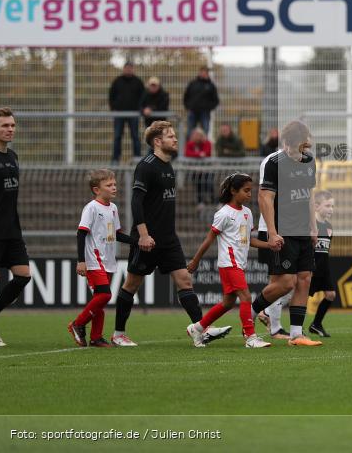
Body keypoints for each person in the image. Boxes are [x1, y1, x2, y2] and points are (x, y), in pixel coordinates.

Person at [112, 121, 230, 347]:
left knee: (184, 280)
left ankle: (200, 330)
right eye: (170, 136)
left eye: (175, 136)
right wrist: (143, 235)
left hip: (168, 239)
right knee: (132, 284)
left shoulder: (168, 165)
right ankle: (118, 334)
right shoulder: (146, 166)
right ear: (157, 141)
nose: (176, 139)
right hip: (148, 239)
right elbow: (136, 202)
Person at [250, 120, 322, 347]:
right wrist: (272, 232)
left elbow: (309, 195)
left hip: (303, 229)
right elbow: (265, 198)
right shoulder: (273, 162)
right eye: (290, 147)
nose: (294, 151)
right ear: (285, 143)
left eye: (298, 147)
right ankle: (251, 312)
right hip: (282, 230)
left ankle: (296, 335)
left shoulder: (310, 161)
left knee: (305, 279)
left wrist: (313, 226)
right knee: (285, 283)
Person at [185, 173, 275, 348]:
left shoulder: (247, 213)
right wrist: (195, 260)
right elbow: (209, 239)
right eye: (246, 190)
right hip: (229, 263)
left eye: (251, 190)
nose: (250, 194)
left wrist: (269, 245)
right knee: (246, 296)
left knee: (228, 303)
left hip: (239, 264)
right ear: (233, 191)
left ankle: (197, 328)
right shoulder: (224, 213)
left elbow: (248, 240)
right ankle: (250, 338)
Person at [68, 169, 136, 347]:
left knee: (99, 299)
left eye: (114, 184)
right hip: (93, 259)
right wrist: (81, 261)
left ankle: (96, 337)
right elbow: (81, 234)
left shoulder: (113, 208)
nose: (114, 187)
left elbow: (116, 234)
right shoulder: (91, 208)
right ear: (96, 189)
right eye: (109, 185)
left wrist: (137, 242)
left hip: (108, 260)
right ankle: (78, 324)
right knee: (105, 294)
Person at [0, 108, 31, 346]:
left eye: (12, 125)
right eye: (4, 125)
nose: (10, 129)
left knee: (23, 276)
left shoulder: (13, 157)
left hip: (12, 231)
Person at [308, 190, 337, 338]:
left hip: (323, 267)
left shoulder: (329, 227)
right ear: (316, 206)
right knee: (298, 295)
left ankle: (316, 324)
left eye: (332, 206)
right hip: (310, 267)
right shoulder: (310, 224)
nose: (331, 209)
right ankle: (269, 313)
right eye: (328, 206)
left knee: (331, 295)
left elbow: (325, 250)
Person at [109, 62, 145, 162]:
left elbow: (143, 97)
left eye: (130, 68)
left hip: (133, 114)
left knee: (135, 136)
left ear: (133, 69)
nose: (128, 70)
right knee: (117, 136)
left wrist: (140, 108)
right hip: (119, 114)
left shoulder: (138, 82)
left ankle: (137, 158)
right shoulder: (117, 81)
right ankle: (115, 159)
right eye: (127, 68)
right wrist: (113, 108)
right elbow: (111, 95)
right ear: (123, 69)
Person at [183, 66, 220, 139]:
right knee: (190, 131)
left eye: (205, 72)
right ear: (199, 72)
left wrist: (208, 107)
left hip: (205, 112)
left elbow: (215, 100)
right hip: (193, 111)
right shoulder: (192, 84)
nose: (203, 74)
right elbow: (186, 96)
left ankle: (204, 149)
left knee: (205, 131)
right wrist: (188, 106)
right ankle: (188, 149)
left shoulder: (211, 86)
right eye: (202, 72)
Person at [184, 128, 214, 213]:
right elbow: (187, 153)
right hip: (195, 170)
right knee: (198, 186)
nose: (197, 137)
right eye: (195, 135)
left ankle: (214, 201)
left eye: (198, 135)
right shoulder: (190, 143)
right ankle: (200, 202)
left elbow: (207, 152)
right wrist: (199, 154)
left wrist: (198, 155)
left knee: (209, 185)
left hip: (206, 169)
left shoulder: (206, 142)